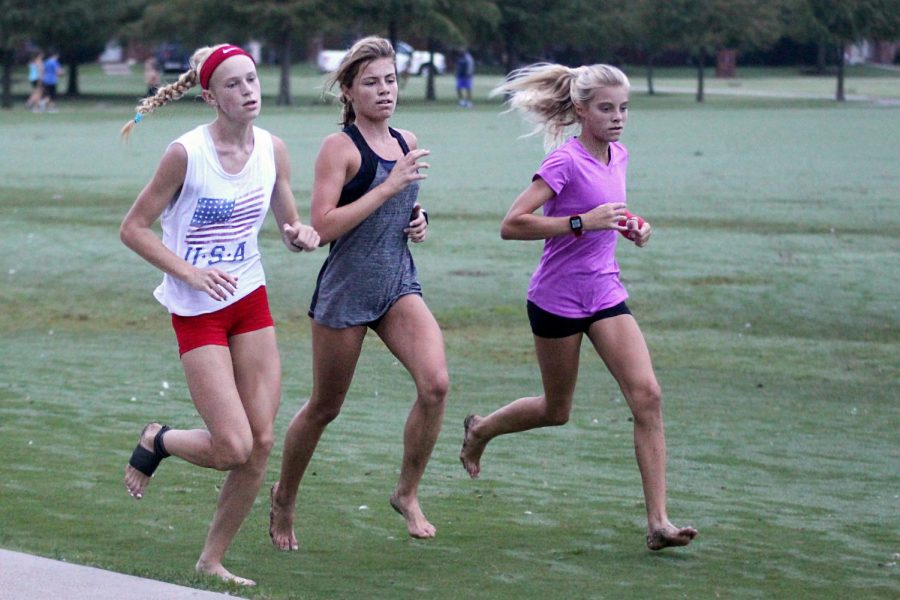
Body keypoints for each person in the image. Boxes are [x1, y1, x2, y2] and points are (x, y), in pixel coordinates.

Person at [458, 63, 698, 551]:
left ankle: (658, 523)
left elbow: (608, 211)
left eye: (623, 108)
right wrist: (580, 223)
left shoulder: (619, 155)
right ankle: (481, 429)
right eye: (606, 108)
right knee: (556, 409)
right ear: (582, 109)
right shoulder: (563, 162)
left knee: (647, 396)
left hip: (606, 294)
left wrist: (632, 225)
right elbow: (512, 224)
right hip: (556, 299)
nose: (617, 118)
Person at [119, 43, 320, 586]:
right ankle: (157, 439)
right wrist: (188, 272)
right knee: (231, 444)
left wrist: (300, 235)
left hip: (249, 300)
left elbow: (288, 221)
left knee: (260, 442)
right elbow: (132, 228)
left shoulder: (273, 149)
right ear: (210, 95)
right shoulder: (185, 154)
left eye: (251, 79)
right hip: (196, 311)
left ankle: (211, 560)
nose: (248, 90)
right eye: (233, 84)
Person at [269, 36, 446, 551]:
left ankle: (406, 493)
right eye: (371, 82)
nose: (385, 90)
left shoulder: (407, 140)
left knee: (435, 384)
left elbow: (404, 209)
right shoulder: (339, 148)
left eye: (390, 80)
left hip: (397, 285)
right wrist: (388, 188)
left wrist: (418, 219)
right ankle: (284, 497)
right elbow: (322, 226)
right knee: (325, 406)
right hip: (346, 291)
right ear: (348, 90)